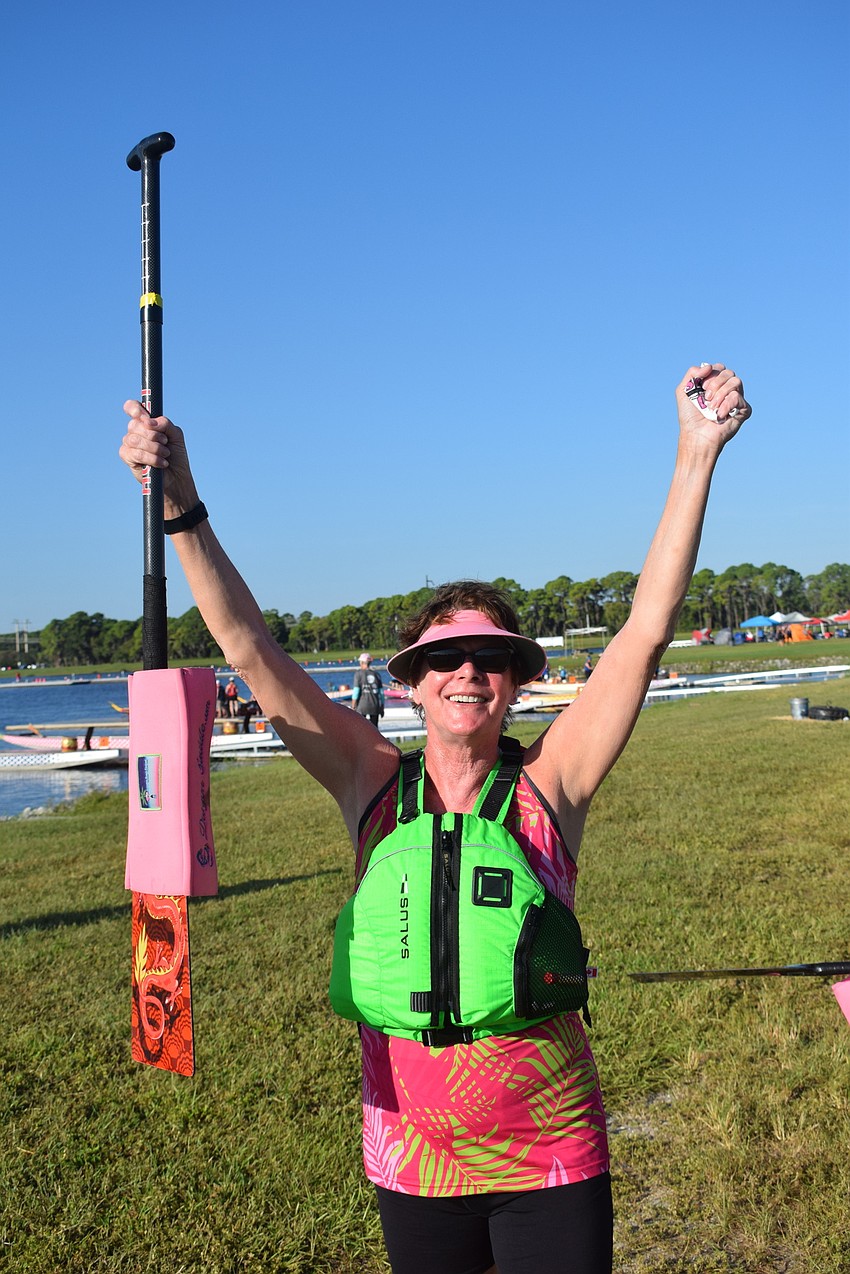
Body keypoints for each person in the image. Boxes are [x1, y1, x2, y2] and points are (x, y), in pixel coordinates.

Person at [119, 361, 750, 1274]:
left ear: (514, 683)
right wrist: (181, 504)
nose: (468, 672)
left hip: (551, 1150)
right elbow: (251, 653)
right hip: (410, 1157)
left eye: (491, 658)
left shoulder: (553, 782)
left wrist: (696, 454)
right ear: (411, 685)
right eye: (445, 658)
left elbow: (644, 633)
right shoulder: (368, 781)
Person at [352, 652, 384, 726]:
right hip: (375, 705)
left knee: (361, 728)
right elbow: (381, 693)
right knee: (374, 729)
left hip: (362, 706)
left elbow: (356, 691)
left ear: (362, 662)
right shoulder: (376, 674)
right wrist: (382, 707)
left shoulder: (358, 674)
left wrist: (353, 706)